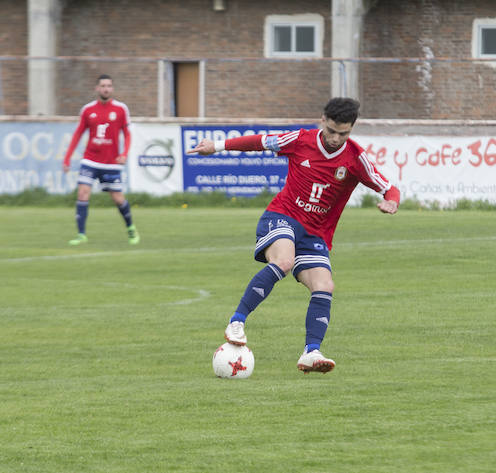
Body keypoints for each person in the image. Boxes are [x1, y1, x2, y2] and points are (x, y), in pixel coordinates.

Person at [188, 98, 400, 374]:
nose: (336, 138)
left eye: (343, 133)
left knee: (324, 285)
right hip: (282, 216)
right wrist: (216, 147)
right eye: (332, 130)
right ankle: (237, 321)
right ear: (322, 120)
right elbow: (260, 141)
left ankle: (311, 352)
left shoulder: (355, 159)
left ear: (351, 129)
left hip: (316, 233)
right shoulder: (300, 140)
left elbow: (388, 187)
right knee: (284, 261)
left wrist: (391, 202)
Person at [62, 74, 139, 246]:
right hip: (90, 160)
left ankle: (131, 228)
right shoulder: (88, 110)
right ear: (97, 88)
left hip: (111, 162)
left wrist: (124, 153)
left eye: (109, 86)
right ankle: (81, 235)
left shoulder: (120, 109)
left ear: (112, 88)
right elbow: (77, 134)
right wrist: (67, 158)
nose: (106, 88)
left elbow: (127, 134)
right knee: (82, 193)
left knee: (118, 198)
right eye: (103, 85)